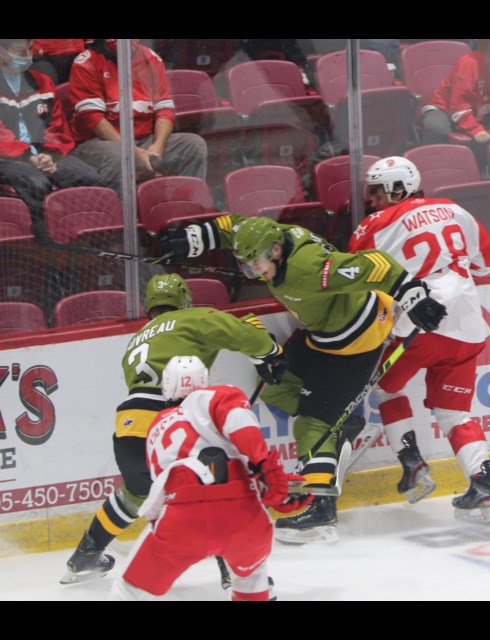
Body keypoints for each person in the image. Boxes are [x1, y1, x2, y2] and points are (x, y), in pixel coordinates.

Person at [154, 214, 448, 543]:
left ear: (277, 250)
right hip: (323, 334)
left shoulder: (310, 267)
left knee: (311, 425)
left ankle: (320, 507)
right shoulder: (269, 235)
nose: (251, 272)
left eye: (256, 264)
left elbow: (375, 264)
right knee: (275, 388)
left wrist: (413, 296)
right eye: (245, 265)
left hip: (356, 340)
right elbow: (232, 227)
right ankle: (342, 422)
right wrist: (193, 241)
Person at [61, 273, 287, 584]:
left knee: (135, 494)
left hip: (129, 426)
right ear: (183, 300)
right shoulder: (193, 318)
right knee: (213, 484)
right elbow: (241, 334)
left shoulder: (138, 338)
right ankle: (233, 574)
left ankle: (84, 556)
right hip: (170, 418)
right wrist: (269, 352)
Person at [348, 156, 490, 523]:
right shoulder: (453, 208)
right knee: (455, 413)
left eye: (377, 190)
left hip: (421, 327)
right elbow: (486, 263)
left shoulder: (374, 226)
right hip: (468, 327)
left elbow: (352, 279)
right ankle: (481, 483)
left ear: (397, 188)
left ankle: (412, 463)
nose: (371, 199)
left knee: (386, 386)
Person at [108, 356, 311, 601]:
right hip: (243, 520)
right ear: (205, 380)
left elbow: (166, 485)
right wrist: (278, 477)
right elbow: (242, 430)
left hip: (182, 522)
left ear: (167, 387)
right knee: (252, 580)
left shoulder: (156, 428)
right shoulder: (218, 395)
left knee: (128, 590)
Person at [68, 39, 208, 193]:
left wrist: (158, 146)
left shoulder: (151, 58)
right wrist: (133, 151)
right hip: (100, 143)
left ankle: (184, 208)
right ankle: (119, 214)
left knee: (193, 145)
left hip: (145, 140)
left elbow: (164, 109)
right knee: (118, 156)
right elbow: (93, 119)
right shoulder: (86, 63)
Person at [0, 38, 102, 236]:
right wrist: (29, 156)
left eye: (30, 49)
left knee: (88, 175)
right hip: (8, 158)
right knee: (36, 182)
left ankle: (87, 234)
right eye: (20, 50)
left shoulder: (42, 82)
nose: (27, 56)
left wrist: (50, 154)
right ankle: (44, 239)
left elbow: (57, 127)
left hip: (43, 156)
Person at [419, 39, 490, 146]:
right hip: (445, 109)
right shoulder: (468, 63)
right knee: (436, 127)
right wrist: (475, 129)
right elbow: (458, 105)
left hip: (477, 110)